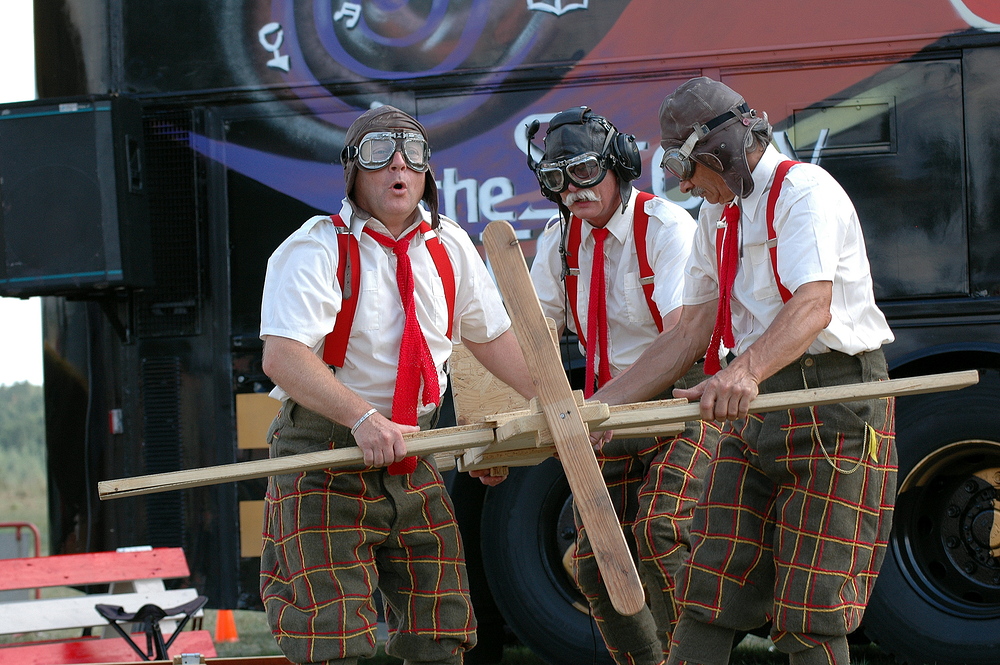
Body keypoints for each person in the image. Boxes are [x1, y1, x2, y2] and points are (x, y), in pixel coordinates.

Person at [593, 78, 897, 665]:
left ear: (719, 151)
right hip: (755, 407)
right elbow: (688, 332)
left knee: (813, 602)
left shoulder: (804, 192)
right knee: (711, 585)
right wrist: (606, 408)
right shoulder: (720, 213)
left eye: (686, 166)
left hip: (836, 401)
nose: (682, 184)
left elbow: (813, 305)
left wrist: (744, 373)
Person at [258, 105, 535, 665]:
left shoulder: (451, 246)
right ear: (352, 172)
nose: (398, 167)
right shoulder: (316, 248)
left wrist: (551, 408)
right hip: (323, 458)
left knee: (442, 628)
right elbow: (283, 358)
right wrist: (361, 418)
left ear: (427, 173)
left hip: (415, 453)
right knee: (332, 639)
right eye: (379, 154)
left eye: (413, 155)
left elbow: (494, 339)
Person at [526, 106, 721, 665]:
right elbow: (532, 333)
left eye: (584, 171)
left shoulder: (666, 228)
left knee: (663, 531)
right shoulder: (559, 240)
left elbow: (686, 336)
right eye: (556, 178)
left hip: (682, 399)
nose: (571, 191)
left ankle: (693, 659)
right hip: (610, 410)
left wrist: (599, 405)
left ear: (620, 166)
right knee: (594, 563)